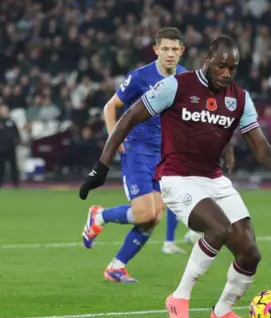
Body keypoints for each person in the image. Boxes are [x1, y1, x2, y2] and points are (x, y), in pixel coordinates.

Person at [79, 35, 271, 318]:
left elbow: (260, 148)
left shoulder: (239, 98)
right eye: (221, 66)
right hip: (177, 178)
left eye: (232, 68)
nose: (226, 74)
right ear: (207, 60)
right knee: (217, 228)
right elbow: (127, 119)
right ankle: (179, 297)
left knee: (250, 251)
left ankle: (223, 311)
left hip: (214, 179)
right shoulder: (177, 86)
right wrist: (100, 168)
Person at [81, 28, 201, 283]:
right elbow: (110, 106)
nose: (170, 54)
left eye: (174, 49)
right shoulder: (139, 77)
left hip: (165, 156)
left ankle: (116, 266)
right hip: (138, 152)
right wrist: (116, 136)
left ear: (182, 51)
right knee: (146, 213)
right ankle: (100, 215)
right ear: (156, 50)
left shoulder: (186, 78)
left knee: (154, 217)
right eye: (165, 49)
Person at [0, 105, 20, 188]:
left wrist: (16, 141)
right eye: (2, 110)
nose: (4, 112)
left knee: (13, 166)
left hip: (11, 147)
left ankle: (15, 184)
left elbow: (16, 134)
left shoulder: (12, 122)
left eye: (5, 110)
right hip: (1, 148)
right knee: (0, 167)